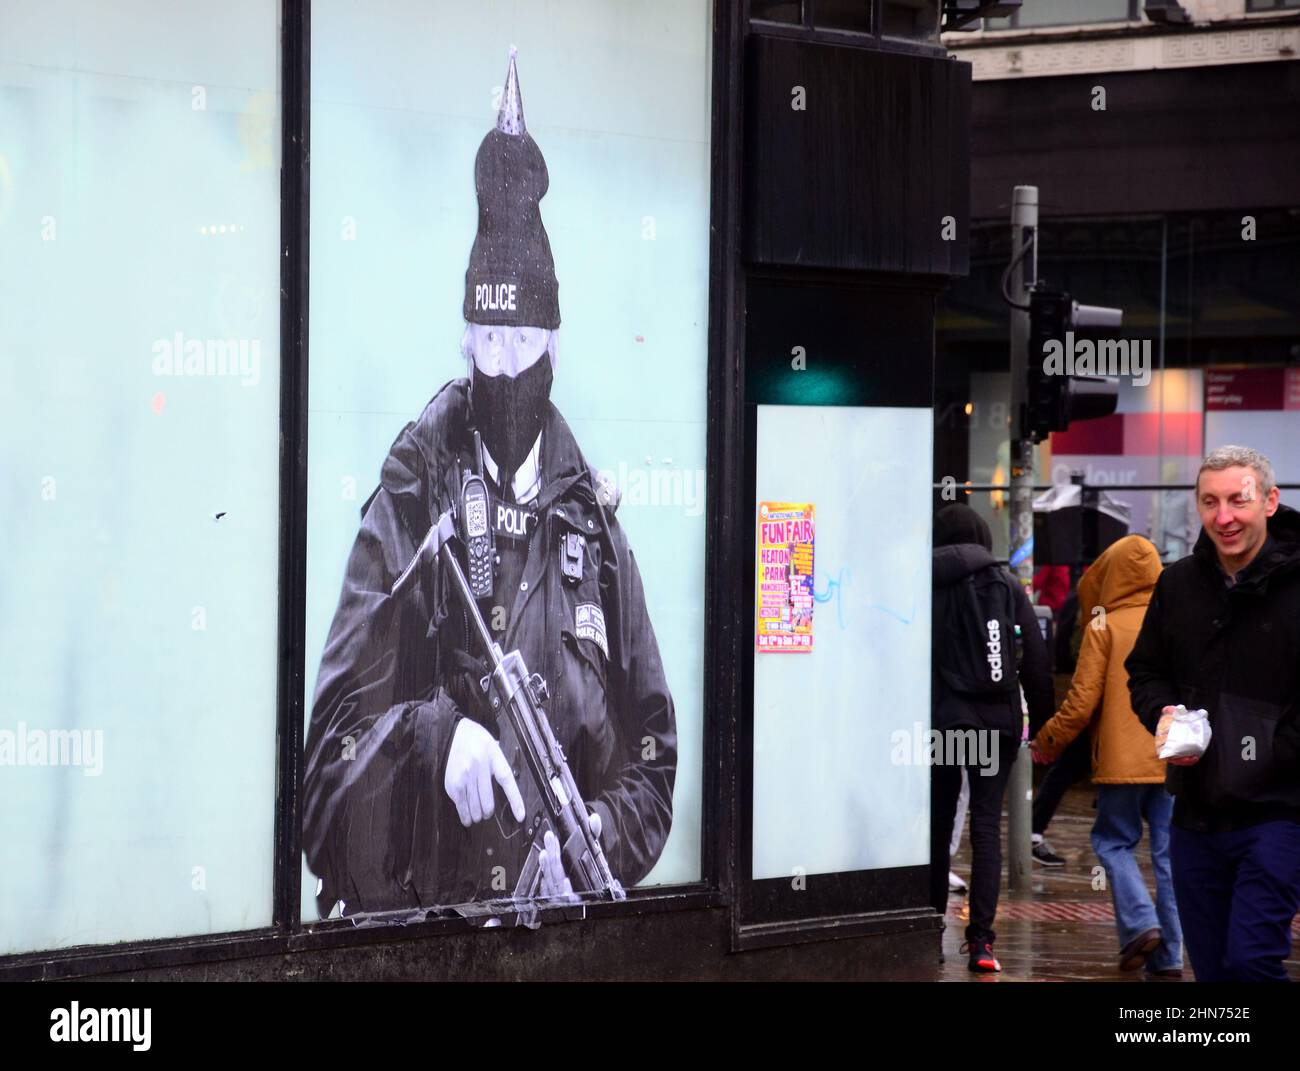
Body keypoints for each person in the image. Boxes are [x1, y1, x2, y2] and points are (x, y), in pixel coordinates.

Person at [302, 48, 677, 917]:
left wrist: (586, 844)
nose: (505, 362)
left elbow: (654, 759)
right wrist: (435, 740)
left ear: (555, 345)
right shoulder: (412, 496)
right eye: (487, 338)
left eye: (523, 341)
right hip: (423, 937)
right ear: (465, 340)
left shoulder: (591, 522)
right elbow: (323, 773)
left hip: (561, 935)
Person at [1127, 445, 1300, 982]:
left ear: (1270, 501)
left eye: (1237, 501)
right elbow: (1146, 671)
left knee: (1250, 962)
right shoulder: (1178, 584)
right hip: (1195, 814)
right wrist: (1162, 713)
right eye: (1210, 502)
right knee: (1212, 971)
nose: (1223, 517)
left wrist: (1276, 752)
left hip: (1279, 812)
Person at [1031, 535, 1183, 978]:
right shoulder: (1173, 619)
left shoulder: (1103, 625)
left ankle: (1140, 925)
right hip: (1172, 756)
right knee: (1169, 855)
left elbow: (1081, 703)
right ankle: (1170, 956)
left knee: (1113, 843)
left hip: (1121, 763)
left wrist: (1048, 740)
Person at [930, 503, 1054, 972]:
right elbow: (1037, 659)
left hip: (945, 722)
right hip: (995, 725)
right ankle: (981, 942)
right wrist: (1043, 725)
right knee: (985, 828)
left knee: (939, 825)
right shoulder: (1004, 583)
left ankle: (932, 926)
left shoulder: (927, 581)